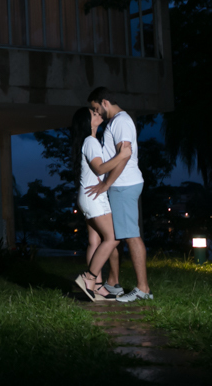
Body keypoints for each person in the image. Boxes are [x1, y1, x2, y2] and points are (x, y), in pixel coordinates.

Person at [85, 86, 153, 303]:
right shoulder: (114, 122)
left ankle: (143, 289)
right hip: (119, 185)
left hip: (124, 185)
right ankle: (113, 282)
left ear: (105, 103)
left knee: (131, 235)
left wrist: (107, 184)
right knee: (117, 235)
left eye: (96, 108)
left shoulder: (121, 121)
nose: (96, 113)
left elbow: (125, 155)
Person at [71, 107, 131, 301]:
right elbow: (99, 168)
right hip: (94, 197)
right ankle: (89, 278)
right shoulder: (90, 141)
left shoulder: (89, 141)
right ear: (86, 122)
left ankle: (96, 286)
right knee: (113, 238)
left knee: (95, 242)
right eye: (94, 114)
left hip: (88, 196)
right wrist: (122, 155)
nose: (98, 115)